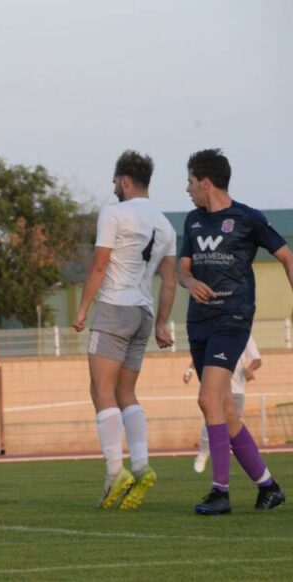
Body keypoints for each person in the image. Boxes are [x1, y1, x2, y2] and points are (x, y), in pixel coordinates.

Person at [178, 148, 292, 515]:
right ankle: (268, 487)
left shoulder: (247, 218)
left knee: (207, 400)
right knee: (225, 412)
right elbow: (182, 270)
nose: (188, 188)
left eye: (191, 181)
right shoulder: (193, 222)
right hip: (199, 323)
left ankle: (220, 492)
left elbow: (287, 256)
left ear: (206, 182)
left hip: (233, 320)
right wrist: (190, 280)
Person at [73, 150, 177, 510]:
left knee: (100, 389)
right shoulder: (165, 224)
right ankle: (142, 465)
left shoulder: (114, 213)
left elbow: (100, 265)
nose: (113, 186)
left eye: (115, 180)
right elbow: (169, 281)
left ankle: (115, 471)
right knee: (125, 392)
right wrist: (162, 323)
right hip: (144, 312)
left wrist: (84, 307)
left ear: (126, 180)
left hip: (115, 307)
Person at [185, 336, 261, 473]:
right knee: (212, 419)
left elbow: (257, 359)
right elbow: (204, 355)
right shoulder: (217, 332)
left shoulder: (245, 335)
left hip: (237, 390)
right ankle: (203, 453)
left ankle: (227, 463)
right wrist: (190, 369)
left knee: (233, 427)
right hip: (217, 387)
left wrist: (250, 369)